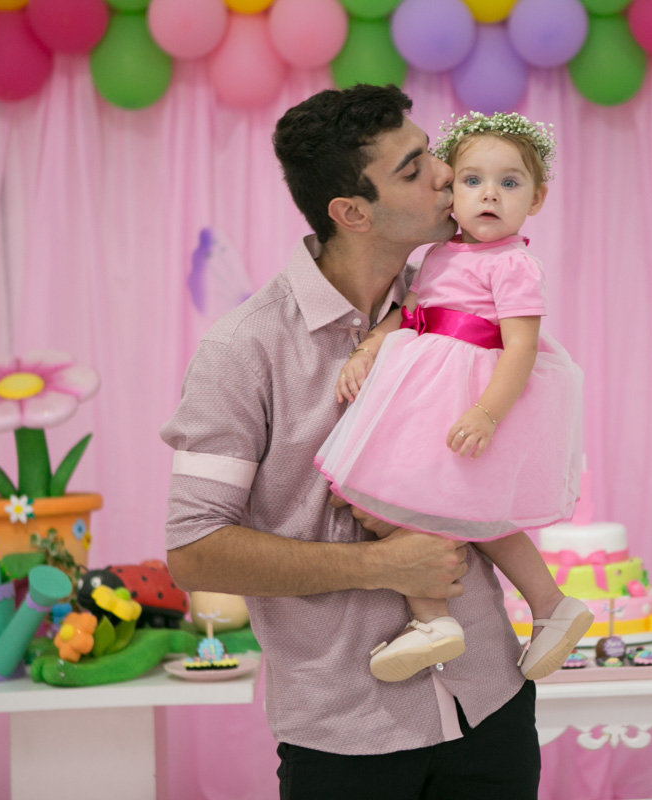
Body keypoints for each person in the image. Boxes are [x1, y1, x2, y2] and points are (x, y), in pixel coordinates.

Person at [161, 86, 540, 799]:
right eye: (413, 168)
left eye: (431, 152)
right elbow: (193, 549)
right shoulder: (243, 350)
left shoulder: (461, 300)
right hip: (347, 733)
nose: (445, 174)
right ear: (352, 212)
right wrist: (380, 565)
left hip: (492, 702)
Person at [316, 111, 592, 685]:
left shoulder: (515, 264)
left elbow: (521, 346)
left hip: (470, 401)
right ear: (451, 194)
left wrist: (486, 412)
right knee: (399, 502)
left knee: (468, 510)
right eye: (472, 180)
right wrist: (368, 349)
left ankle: (535, 605)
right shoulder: (437, 254)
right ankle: (448, 618)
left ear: (536, 198)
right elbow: (410, 314)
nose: (489, 194)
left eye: (509, 183)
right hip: (421, 400)